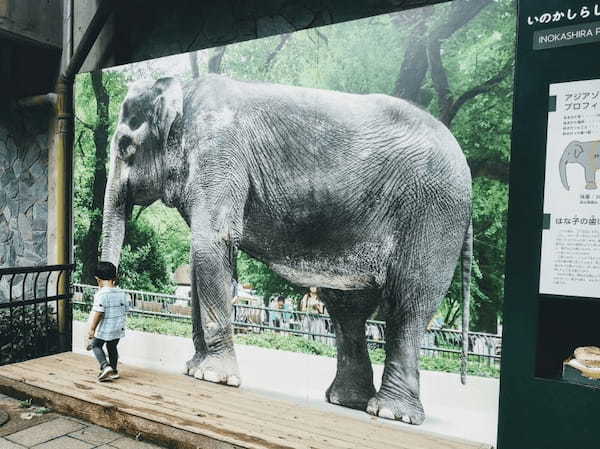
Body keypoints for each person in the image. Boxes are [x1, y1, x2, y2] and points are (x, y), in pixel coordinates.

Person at [87, 261, 129, 382]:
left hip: (105, 328)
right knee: (112, 347)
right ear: (114, 277)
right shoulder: (122, 293)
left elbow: (99, 313)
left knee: (96, 345)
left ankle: (105, 366)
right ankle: (114, 371)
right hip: (118, 327)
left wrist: (92, 329)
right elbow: (126, 309)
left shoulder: (101, 294)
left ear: (98, 279)